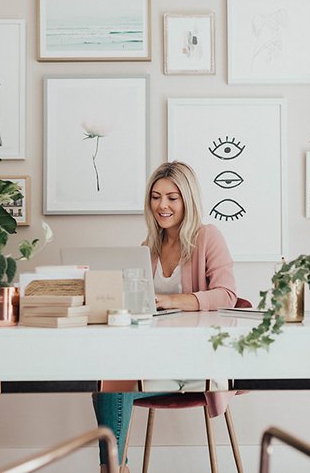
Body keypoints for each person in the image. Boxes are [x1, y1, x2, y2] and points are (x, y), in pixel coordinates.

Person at [93, 161, 238, 472]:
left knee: (114, 384)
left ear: (187, 199)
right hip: (153, 358)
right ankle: (115, 469)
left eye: (172, 197)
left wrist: (173, 300)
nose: (162, 205)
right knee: (107, 378)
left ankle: (113, 469)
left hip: (197, 362)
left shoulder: (208, 237)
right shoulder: (149, 246)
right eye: (156, 197)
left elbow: (227, 295)